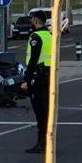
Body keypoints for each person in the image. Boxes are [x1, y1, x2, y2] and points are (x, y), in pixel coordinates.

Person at [19, 9, 52, 154]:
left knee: (40, 112)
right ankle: (47, 141)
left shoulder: (36, 37)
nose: (31, 21)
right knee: (46, 110)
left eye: (32, 19)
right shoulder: (49, 35)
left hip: (38, 77)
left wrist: (27, 79)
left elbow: (33, 60)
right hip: (48, 76)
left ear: (37, 20)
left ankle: (42, 143)